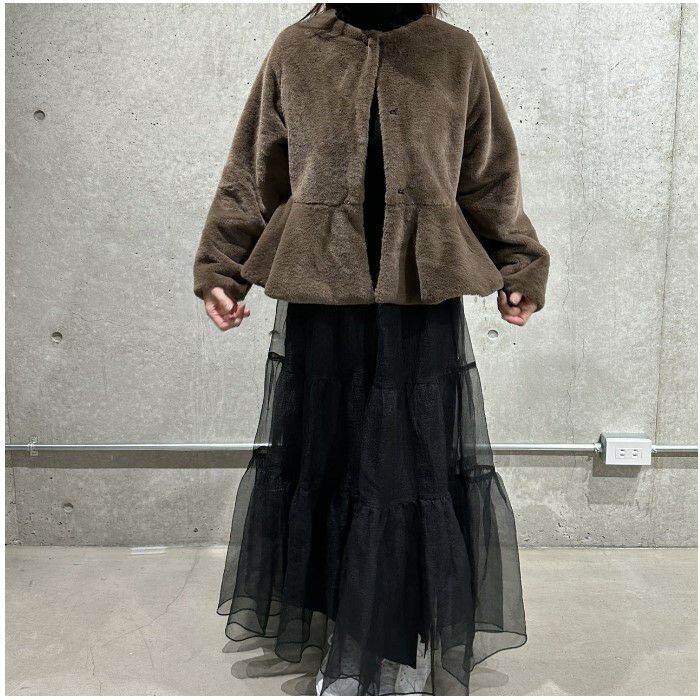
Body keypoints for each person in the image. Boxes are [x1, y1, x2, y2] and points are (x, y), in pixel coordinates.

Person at [193, 4, 550, 695]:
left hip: (420, 297)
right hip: (323, 298)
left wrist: (518, 263)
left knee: (406, 473)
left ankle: (388, 647)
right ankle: (344, 637)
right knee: (329, 462)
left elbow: (488, 175)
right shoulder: (298, 48)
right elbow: (254, 169)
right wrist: (222, 268)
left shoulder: (454, 52)